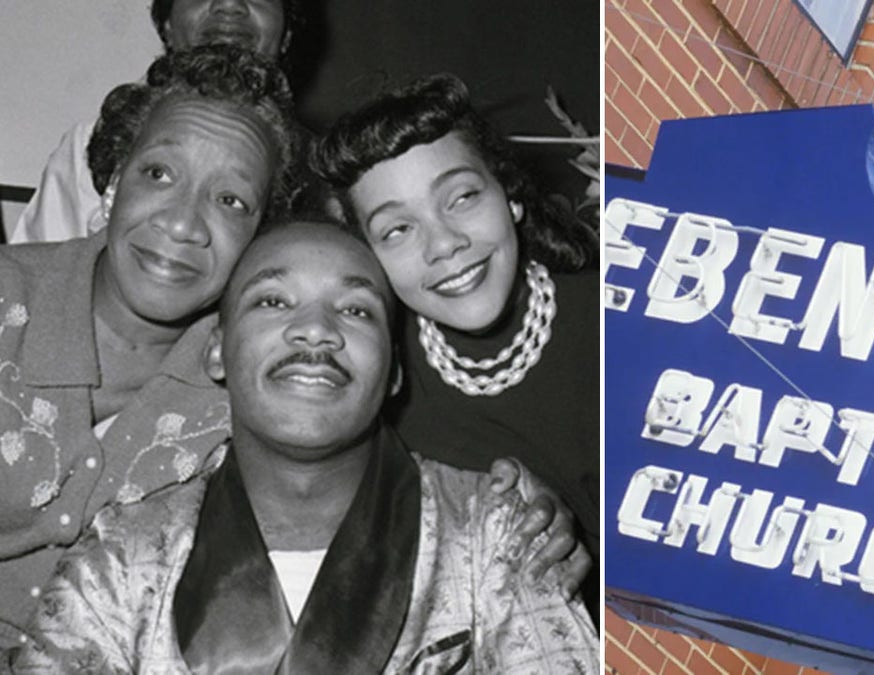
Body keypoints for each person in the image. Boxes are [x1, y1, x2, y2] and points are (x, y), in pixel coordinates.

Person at [8, 220, 600, 673]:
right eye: (272, 301)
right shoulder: (122, 557)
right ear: (216, 350)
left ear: (395, 371)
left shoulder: (493, 533)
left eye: (355, 309)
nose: (316, 329)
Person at [0, 44, 296, 648]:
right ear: (112, 183)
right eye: (159, 174)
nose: (183, 224)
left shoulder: (258, 388)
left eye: (230, 200)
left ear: (260, 239)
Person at [312, 73, 601, 621]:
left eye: (462, 197)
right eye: (397, 230)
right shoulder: (379, 388)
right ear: (367, 256)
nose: (445, 244)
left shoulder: (617, 322)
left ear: (511, 195)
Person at [8, 0, 301, 244]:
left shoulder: (322, 175)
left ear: (286, 34)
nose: (229, 5)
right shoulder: (85, 151)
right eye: (157, 174)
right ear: (167, 25)